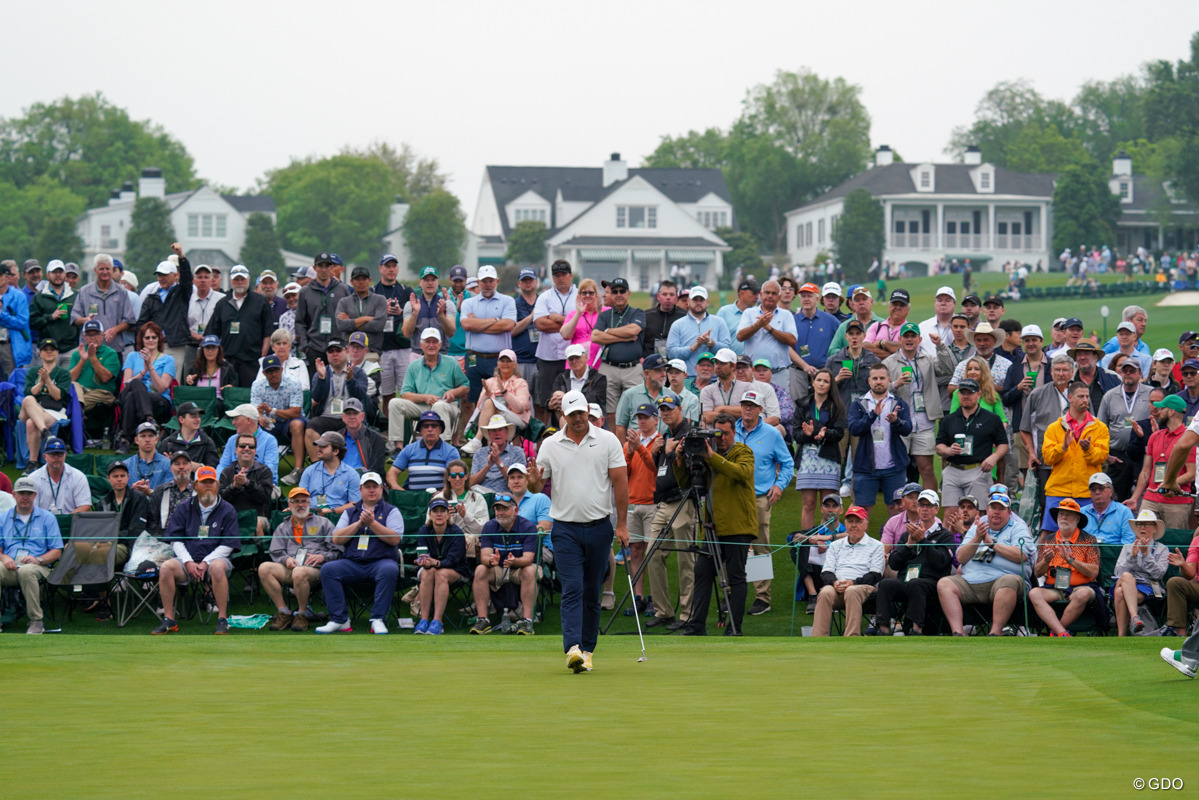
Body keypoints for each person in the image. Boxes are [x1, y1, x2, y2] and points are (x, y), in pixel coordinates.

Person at [531, 390, 628, 672]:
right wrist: (534, 482)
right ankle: (572, 647)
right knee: (572, 587)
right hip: (565, 529)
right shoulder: (550, 445)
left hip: (599, 528)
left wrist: (621, 523)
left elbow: (620, 484)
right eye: (571, 414)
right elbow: (537, 486)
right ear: (564, 415)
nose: (577, 419)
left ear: (588, 411)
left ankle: (587, 650)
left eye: (581, 413)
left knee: (591, 592)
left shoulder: (608, 440)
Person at [672, 411, 756, 636]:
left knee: (736, 577)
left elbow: (742, 473)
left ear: (734, 432)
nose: (722, 439)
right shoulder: (708, 455)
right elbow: (687, 485)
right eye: (717, 434)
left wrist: (712, 457)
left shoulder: (742, 451)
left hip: (738, 527)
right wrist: (681, 459)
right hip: (712, 528)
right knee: (702, 572)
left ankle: (734, 628)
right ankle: (696, 625)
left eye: (726, 434)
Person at [151, 465, 241, 635]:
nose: (208, 485)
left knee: (217, 567)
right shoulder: (184, 507)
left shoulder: (227, 509)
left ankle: (222, 619)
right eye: (204, 482)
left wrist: (206, 562)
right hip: (189, 561)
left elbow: (229, 544)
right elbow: (175, 539)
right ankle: (169, 619)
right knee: (166, 567)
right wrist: (188, 561)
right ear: (195, 485)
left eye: (211, 482)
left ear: (217, 485)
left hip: (216, 561)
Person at [315, 472, 403, 635]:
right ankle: (339, 620)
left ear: (381, 489)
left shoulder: (391, 511)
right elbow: (336, 538)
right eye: (367, 487)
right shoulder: (349, 512)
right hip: (353, 563)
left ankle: (377, 619)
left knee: (390, 570)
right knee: (329, 569)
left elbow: (395, 539)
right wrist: (358, 524)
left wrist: (372, 523)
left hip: (380, 562)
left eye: (375, 487)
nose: (371, 490)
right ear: (360, 490)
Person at [736, 390, 794, 616]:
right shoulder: (731, 431)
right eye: (744, 404)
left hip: (759, 497)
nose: (747, 408)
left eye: (751, 405)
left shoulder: (771, 433)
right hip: (733, 497)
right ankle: (732, 592)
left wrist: (779, 485)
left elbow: (787, 463)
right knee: (733, 547)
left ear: (760, 410)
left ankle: (762, 597)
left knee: (760, 547)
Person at [869, 489, 955, 635]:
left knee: (917, 583)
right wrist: (908, 546)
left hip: (931, 582)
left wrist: (922, 540)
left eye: (929, 505)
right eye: (921, 505)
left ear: (936, 509)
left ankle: (916, 629)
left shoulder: (945, 536)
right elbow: (894, 563)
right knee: (886, 584)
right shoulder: (906, 535)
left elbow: (941, 562)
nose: (925, 509)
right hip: (906, 580)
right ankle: (882, 629)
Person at [884, 322, 956, 490]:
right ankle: (900, 508)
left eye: (913, 336)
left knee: (927, 468)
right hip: (899, 422)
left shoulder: (928, 359)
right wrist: (895, 384)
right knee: (898, 469)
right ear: (900, 339)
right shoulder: (889, 362)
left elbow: (949, 369)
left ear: (919, 339)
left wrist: (940, 346)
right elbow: (878, 390)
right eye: (906, 336)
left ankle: (928, 504)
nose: (909, 339)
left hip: (924, 421)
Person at [259, 487, 339, 632]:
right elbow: (276, 551)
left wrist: (322, 556)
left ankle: (302, 614)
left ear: (309, 503)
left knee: (299, 572)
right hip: (291, 567)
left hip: (316, 569)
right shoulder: (283, 527)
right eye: (296, 502)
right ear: (289, 505)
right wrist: (286, 559)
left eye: (304, 501)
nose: (300, 505)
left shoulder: (324, 523)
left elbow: (336, 550)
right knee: (264, 567)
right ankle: (284, 612)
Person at [1041, 381, 1109, 535]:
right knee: (1049, 533)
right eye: (1080, 396)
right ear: (1070, 398)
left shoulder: (1100, 427)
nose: (1085, 400)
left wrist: (1088, 449)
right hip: (1058, 490)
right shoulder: (1054, 427)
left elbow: (1102, 457)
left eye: (1086, 396)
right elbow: (1047, 458)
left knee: (1087, 535)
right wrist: (1063, 448)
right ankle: (1041, 559)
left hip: (1087, 492)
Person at [468, 491, 540, 635]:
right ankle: (483, 620)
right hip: (498, 568)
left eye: (505, 509)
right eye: (497, 509)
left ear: (516, 510)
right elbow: (484, 557)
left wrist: (515, 561)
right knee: (481, 570)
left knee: (531, 570)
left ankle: (527, 621)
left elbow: (528, 559)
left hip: (520, 567)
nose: (500, 512)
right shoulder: (489, 526)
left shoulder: (528, 527)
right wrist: (491, 561)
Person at [1028, 498, 1102, 637]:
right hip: (1055, 588)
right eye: (1061, 514)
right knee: (1034, 593)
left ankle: (1055, 631)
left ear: (1077, 518)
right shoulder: (1047, 541)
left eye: (1068, 514)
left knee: (1083, 594)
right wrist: (1045, 561)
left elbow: (1094, 571)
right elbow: (1037, 573)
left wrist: (1070, 560)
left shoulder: (1088, 540)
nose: (1063, 517)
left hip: (1081, 586)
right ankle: (1061, 632)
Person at [848, 363, 913, 515]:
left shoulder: (898, 403)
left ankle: (896, 540)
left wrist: (896, 422)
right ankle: (861, 540)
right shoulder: (859, 404)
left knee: (896, 510)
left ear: (889, 380)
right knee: (862, 511)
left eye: (882, 378)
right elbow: (854, 429)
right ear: (869, 381)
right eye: (875, 378)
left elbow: (907, 429)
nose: (879, 381)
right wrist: (871, 416)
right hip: (865, 467)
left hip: (894, 467)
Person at [0, 476, 63, 634]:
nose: (25, 497)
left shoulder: (48, 518)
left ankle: (36, 621)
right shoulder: (3, 518)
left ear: (35, 495)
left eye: (29, 493)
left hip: (38, 567)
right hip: (10, 566)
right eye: (21, 493)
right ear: (13, 495)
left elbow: (57, 551)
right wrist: (4, 557)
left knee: (27, 571)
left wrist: (38, 559)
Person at [810, 504, 885, 636]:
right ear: (845, 523)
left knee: (851, 591)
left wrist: (853, 583)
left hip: (865, 588)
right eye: (850, 521)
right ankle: (818, 638)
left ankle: (851, 637)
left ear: (866, 524)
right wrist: (834, 583)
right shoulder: (835, 545)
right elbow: (827, 571)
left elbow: (875, 575)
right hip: (838, 587)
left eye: (858, 521)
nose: (854, 525)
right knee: (825, 591)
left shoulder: (876, 545)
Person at [389, 327, 468, 449]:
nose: (431, 345)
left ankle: (444, 448)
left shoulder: (451, 362)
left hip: (447, 405)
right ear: (421, 345)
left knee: (439, 406)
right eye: (428, 342)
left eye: (434, 342)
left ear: (440, 344)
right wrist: (424, 397)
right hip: (421, 406)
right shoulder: (414, 366)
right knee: (394, 403)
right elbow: (405, 393)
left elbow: (465, 386)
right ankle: (398, 448)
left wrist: (453, 392)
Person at [935, 378, 1009, 507]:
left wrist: (994, 457)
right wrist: (948, 450)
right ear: (958, 395)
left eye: (970, 393)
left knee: (977, 515)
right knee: (950, 516)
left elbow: (1003, 444)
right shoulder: (948, 420)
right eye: (962, 393)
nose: (966, 396)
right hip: (953, 469)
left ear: (978, 394)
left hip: (978, 470)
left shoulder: (991, 419)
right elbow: (939, 446)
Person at [1128, 394, 1195, 529]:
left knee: (1172, 542)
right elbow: (1146, 470)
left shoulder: (1188, 438)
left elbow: (1191, 474)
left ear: (1170, 412)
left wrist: (1169, 484)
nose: (1158, 412)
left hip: (1176, 501)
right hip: (1151, 498)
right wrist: (1135, 498)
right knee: (1143, 538)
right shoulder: (1155, 436)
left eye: (1162, 408)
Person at [300, 339, 369, 466]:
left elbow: (360, 396)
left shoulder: (358, 372)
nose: (334, 354)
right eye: (331, 351)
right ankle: (318, 466)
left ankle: (351, 465)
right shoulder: (321, 372)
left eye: (338, 350)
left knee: (355, 424)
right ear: (327, 354)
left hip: (349, 417)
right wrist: (321, 379)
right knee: (311, 427)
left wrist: (351, 380)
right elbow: (316, 397)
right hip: (326, 416)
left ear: (346, 351)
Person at [204, 264, 274, 387]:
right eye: (236, 279)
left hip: (252, 360)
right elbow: (213, 331)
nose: (240, 282)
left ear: (248, 279)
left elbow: (268, 332)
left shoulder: (260, 301)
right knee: (227, 394)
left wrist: (262, 356)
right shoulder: (222, 303)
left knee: (248, 395)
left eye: (242, 279)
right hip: (227, 360)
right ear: (231, 281)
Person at [622, 402, 663, 610]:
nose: (642, 421)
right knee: (636, 550)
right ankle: (639, 597)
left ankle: (656, 598)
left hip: (653, 503)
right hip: (632, 503)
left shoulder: (661, 441)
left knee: (653, 553)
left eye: (646, 417)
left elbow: (654, 468)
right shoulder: (630, 443)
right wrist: (630, 450)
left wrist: (638, 448)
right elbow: (624, 473)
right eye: (639, 417)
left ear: (656, 419)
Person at [591, 277, 646, 423]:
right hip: (609, 368)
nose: (619, 294)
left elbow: (634, 330)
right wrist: (623, 337)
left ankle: (634, 445)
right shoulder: (604, 315)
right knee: (611, 414)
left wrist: (608, 331)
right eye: (615, 292)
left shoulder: (637, 313)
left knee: (636, 411)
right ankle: (616, 445)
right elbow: (595, 336)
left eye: (622, 291)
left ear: (629, 293)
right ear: (611, 295)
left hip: (632, 369)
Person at [412, 497, 469, 636]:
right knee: (428, 573)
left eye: (442, 511)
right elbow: (422, 552)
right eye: (435, 511)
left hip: (455, 569)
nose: (439, 514)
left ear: (448, 514)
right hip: (430, 569)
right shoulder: (424, 530)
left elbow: (454, 560)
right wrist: (423, 560)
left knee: (440, 573)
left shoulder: (456, 532)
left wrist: (436, 563)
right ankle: (424, 620)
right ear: (430, 515)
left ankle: (438, 621)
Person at [116, 321, 175, 453]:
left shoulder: (168, 360)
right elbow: (127, 383)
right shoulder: (133, 356)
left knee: (132, 397)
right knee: (136, 384)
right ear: (141, 340)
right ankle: (149, 418)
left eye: (154, 337)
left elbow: (162, 388)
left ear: (159, 339)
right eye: (147, 337)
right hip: (134, 394)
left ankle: (125, 440)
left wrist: (150, 366)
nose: (150, 340)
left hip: (158, 400)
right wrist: (143, 372)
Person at [136, 244, 193, 378]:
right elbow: (142, 323)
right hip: (154, 346)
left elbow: (187, 279)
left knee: (173, 379)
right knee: (153, 379)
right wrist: (142, 344)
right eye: (159, 275)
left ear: (174, 276)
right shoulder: (151, 298)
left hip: (175, 345)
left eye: (165, 275)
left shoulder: (181, 293)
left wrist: (181, 257)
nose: (161, 278)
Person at [1112, 510, 1169, 636]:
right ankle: (1134, 617)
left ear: (1154, 528)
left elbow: (1158, 575)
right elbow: (1118, 573)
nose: (1142, 527)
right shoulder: (1128, 547)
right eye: (1139, 524)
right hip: (1127, 582)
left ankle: (1121, 636)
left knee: (1120, 593)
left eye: (1146, 524)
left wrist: (1146, 554)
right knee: (1126, 576)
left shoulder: (1162, 549)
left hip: (1149, 587)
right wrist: (1132, 556)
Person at [462, 349, 530, 455]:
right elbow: (480, 408)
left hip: (517, 418)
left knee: (490, 404)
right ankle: (491, 452)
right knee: (490, 409)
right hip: (495, 417)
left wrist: (505, 392)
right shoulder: (490, 382)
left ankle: (477, 440)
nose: (505, 364)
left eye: (508, 361)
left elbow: (520, 408)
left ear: (514, 364)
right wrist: (487, 394)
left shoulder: (521, 383)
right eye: (502, 361)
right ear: (498, 364)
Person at [251, 354, 306, 482]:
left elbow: (296, 412)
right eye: (269, 371)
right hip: (269, 423)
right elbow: (255, 410)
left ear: (281, 370)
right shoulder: (257, 385)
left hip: (290, 421)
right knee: (251, 424)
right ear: (264, 373)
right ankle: (257, 468)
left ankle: (298, 470)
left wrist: (272, 411)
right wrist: (259, 417)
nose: (273, 374)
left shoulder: (293, 383)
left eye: (276, 370)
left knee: (297, 424)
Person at [19, 339, 71, 472]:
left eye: (52, 350)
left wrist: (48, 381)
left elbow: (58, 396)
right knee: (29, 399)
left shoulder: (63, 373)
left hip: (53, 410)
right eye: (45, 350)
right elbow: (29, 392)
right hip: (31, 408)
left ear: (57, 353)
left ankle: (32, 462)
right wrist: (41, 382)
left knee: (31, 423)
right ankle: (45, 431)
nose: (49, 352)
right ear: (40, 353)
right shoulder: (33, 372)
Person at [372, 254, 412, 422]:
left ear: (397, 269)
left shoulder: (405, 290)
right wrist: (384, 312)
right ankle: (390, 430)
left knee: (406, 393)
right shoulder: (373, 291)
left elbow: (414, 313)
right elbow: (368, 317)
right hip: (383, 349)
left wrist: (401, 312)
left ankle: (406, 430)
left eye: (393, 266)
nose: (390, 269)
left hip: (403, 348)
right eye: (387, 266)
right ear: (380, 269)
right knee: (387, 393)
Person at [294, 252, 352, 369]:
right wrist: (306, 346)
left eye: (327, 266)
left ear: (331, 268)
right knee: (317, 385)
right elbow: (300, 322)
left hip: (338, 348)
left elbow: (351, 319)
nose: (324, 269)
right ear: (315, 268)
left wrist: (346, 343)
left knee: (338, 385)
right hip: (315, 348)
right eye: (320, 266)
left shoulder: (343, 290)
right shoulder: (305, 292)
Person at [736, 280, 797, 388]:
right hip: (754, 374)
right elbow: (740, 336)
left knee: (779, 404)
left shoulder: (786, 315)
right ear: (760, 294)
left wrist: (769, 329)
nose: (770, 296)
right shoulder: (749, 313)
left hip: (778, 374)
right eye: (767, 292)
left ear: (779, 296)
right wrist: (758, 325)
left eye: (774, 293)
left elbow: (792, 340)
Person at [72, 253, 136, 356]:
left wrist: (115, 329)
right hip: (89, 348)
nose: (105, 272)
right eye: (101, 269)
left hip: (114, 348)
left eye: (108, 268)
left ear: (112, 270)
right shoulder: (84, 291)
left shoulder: (121, 292)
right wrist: (84, 320)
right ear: (95, 270)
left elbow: (129, 320)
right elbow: (75, 317)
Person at [666, 285, 731, 377]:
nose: (698, 303)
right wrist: (693, 347)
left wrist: (710, 343)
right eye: (695, 300)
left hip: (714, 378)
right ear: (688, 302)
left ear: (707, 302)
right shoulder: (678, 324)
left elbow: (727, 350)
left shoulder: (719, 322)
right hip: (687, 378)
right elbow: (671, 353)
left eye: (701, 300)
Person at [387, 411, 460, 493]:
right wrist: (398, 489)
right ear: (420, 430)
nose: (430, 429)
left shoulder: (451, 451)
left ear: (440, 429)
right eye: (425, 426)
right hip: (412, 498)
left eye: (434, 426)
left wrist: (443, 494)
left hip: (440, 499)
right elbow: (392, 473)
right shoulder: (409, 449)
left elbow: (455, 478)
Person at [97, 460, 149, 570]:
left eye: (122, 475)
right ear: (108, 478)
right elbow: (100, 530)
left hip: (129, 546)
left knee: (102, 554)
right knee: (75, 549)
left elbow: (136, 530)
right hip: (105, 544)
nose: (119, 479)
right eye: (115, 476)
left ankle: (102, 584)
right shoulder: (103, 503)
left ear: (128, 477)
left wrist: (111, 538)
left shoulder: (139, 498)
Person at [219, 433, 274, 537]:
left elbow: (265, 497)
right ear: (236, 450)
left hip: (258, 516)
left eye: (251, 446)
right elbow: (221, 499)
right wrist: (234, 486)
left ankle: (258, 553)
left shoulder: (264, 471)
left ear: (255, 451)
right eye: (243, 446)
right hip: (233, 515)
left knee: (255, 523)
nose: (247, 448)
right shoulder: (227, 472)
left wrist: (247, 483)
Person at [401, 266, 456, 365]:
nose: (430, 283)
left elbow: (451, 332)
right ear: (420, 282)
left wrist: (441, 315)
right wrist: (415, 313)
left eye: (433, 279)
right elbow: (406, 333)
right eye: (426, 280)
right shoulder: (411, 305)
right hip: (417, 355)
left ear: (437, 282)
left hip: (441, 355)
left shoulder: (448, 304)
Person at [299, 432, 360, 520]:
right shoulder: (309, 471)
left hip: (339, 518)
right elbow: (300, 499)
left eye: (323, 446)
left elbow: (354, 504)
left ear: (336, 451)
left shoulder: (351, 474)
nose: (318, 449)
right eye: (318, 445)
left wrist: (333, 511)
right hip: (311, 516)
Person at [68, 318, 120, 422]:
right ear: (84, 337)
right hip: (81, 393)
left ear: (102, 335)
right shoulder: (77, 353)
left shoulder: (111, 353)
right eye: (89, 335)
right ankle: (78, 409)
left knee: (71, 404)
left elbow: (105, 378)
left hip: (102, 393)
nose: (92, 338)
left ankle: (77, 409)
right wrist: (83, 360)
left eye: (96, 334)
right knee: (73, 385)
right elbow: (71, 379)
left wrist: (92, 357)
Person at [216, 403, 280, 483]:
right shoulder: (232, 440)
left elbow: (270, 470)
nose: (233, 422)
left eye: (236, 418)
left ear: (248, 420)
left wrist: (246, 482)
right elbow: (223, 465)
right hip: (234, 486)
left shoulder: (269, 440)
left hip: (261, 486)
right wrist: (218, 481)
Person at [28, 261, 75, 366]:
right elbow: (32, 322)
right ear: (48, 275)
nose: (58, 275)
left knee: (67, 382)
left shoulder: (75, 295)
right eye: (54, 272)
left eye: (60, 272)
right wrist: (50, 317)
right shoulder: (39, 297)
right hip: (47, 350)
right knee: (47, 381)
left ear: (64, 274)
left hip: (70, 349)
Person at [27, 437, 90, 513]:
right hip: (42, 522)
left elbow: (84, 506)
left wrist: (65, 520)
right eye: (52, 454)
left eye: (60, 454)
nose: (56, 457)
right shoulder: (33, 478)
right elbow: (30, 508)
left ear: (65, 455)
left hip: (70, 522)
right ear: (45, 457)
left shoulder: (78, 477)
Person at [829, 319, 881, 409]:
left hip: (867, 412)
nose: (854, 337)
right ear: (846, 336)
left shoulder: (874, 361)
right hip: (841, 412)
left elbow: (881, 388)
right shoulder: (833, 361)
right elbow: (823, 389)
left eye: (858, 333)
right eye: (851, 334)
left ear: (864, 336)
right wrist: (837, 379)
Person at [335, 266, 386, 359]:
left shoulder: (380, 299)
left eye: (364, 279)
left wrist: (351, 321)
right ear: (351, 281)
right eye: (357, 279)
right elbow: (341, 325)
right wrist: (366, 319)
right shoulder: (344, 302)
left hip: (372, 351)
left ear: (369, 280)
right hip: (350, 353)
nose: (361, 282)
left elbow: (379, 325)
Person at [184, 263, 225, 375]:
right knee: (190, 376)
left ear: (211, 280)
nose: (203, 280)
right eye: (199, 277)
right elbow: (182, 324)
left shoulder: (222, 299)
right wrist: (195, 336)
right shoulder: (188, 300)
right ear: (194, 280)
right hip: (192, 344)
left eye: (206, 277)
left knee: (214, 376)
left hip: (215, 346)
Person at [469, 414, 527, 492]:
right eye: (493, 430)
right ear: (489, 434)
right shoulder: (479, 453)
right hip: (482, 497)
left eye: (500, 430)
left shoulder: (517, 452)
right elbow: (471, 483)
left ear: (506, 432)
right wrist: (488, 465)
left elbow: (519, 482)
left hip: (507, 498)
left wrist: (498, 462)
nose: (497, 433)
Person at [549, 343, 607, 420]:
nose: (574, 361)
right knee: (557, 394)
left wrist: (567, 399)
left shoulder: (599, 378)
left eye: (577, 357)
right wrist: (551, 404)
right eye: (571, 359)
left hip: (590, 414)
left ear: (586, 357)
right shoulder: (561, 377)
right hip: (567, 414)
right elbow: (550, 400)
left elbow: (595, 399)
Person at [145, 451, 195, 536]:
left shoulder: (199, 490)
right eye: (177, 464)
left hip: (191, 539)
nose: (181, 467)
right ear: (171, 468)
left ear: (191, 467)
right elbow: (152, 521)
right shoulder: (160, 490)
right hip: (164, 539)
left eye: (185, 463)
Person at [1080, 472, 1135, 548]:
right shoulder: (1081, 512)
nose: (1097, 492)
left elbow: (1128, 542)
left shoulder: (1124, 512)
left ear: (1111, 491)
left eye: (1101, 488)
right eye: (1093, 489)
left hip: (1115, 557)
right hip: (1085, 556)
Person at [340, 397, 387, 476]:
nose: (352, 417)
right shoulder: (336, 438)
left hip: (365, 481)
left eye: (355, 413)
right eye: (348, 413)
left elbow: (377, 469)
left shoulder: (376, 439)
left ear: (362, 416)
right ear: (343, 417)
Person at [125, 421, 173, 495]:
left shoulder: (167, 464)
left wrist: (150, 493)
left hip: (157, 506)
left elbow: (169, 493)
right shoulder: (126, 465)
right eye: (143, 436)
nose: (147, 440)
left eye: (150, 436)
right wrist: (132, 493)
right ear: (136, 440)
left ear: (156, 439)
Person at [643, 279, 686, 361]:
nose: (668, 297)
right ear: (658, 297)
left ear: (676, 297)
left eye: (671, 294)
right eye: (664, 294)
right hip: (650, 363)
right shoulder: (646, 315)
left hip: (674, 364)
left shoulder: (684, 317)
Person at [185, 335, 235, 403]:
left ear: (218, 350)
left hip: (218, 402)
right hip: (198, 401)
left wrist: (230, 387)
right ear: (202, 350)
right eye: (207, 348)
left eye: (213, 348)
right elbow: (188, 390)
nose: (210, 351)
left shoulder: (228, 367)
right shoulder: (195, 367)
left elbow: (234, 386)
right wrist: (188, 381)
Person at [717, 278, 759, 355]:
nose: (757, 297)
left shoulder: (759, 313)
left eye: (758, 294)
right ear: (741, 293)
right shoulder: (724, 312)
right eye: (753, 293)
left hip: (753, 362)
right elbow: (717, 338)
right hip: (731, 362)